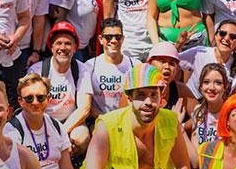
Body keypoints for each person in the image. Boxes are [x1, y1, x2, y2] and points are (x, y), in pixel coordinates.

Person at [72, 65, 198, 169]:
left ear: (161, 97)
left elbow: (184, 167)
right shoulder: (108, 123)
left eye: (154, 95)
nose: (148, 102)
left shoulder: (170, 120)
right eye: (141, 95)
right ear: (129, 99)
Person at [5, 74, 80, 169]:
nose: (35, 102)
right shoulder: (12, 131)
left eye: (40, 97)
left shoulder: (56, 126)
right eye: (29, 98)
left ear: (48, 99)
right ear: (20, 101)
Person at [72, 19, 138, 152]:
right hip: (99, 119)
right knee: (101, 136)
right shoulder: (89, 66)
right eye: (108, 37)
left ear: (123, 39)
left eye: (117, 37)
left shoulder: (135, 65)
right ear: (101, 39)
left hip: (127, 119)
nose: (113, 41)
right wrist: (107, 120)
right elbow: (86, 105)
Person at [182, 18, 236, 96]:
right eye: (222, 33)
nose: (226, 38)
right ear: (216, 35)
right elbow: (170, 61)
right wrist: (179, 44)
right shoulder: (199, 52)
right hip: (193, 105)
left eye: (232, 36)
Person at [40, 22, 84, 133]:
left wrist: (61, 133)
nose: (63, 48)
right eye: (58, 43)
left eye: (68, 43)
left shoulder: (82, 69)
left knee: (81, 137)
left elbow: (84, 108)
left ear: (75, 48)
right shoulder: (37, 70)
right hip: (44, 121)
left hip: (70, 120)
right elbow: (32, 107)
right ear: (52, 47)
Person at [185, 63, 231, 166]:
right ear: (200, 86)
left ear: (225, 86)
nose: (211, 88)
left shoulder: (231, 114)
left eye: (218, 83)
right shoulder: (198, 112)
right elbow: (195, 162)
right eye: (206, 82)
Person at [147, 42, 197, 121]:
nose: (167, 66)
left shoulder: (181, 90)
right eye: (162, 61)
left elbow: (201, 117)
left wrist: (181, 127)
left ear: (177, 69)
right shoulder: (137, 88)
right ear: (149, 64)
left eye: (171, 63)